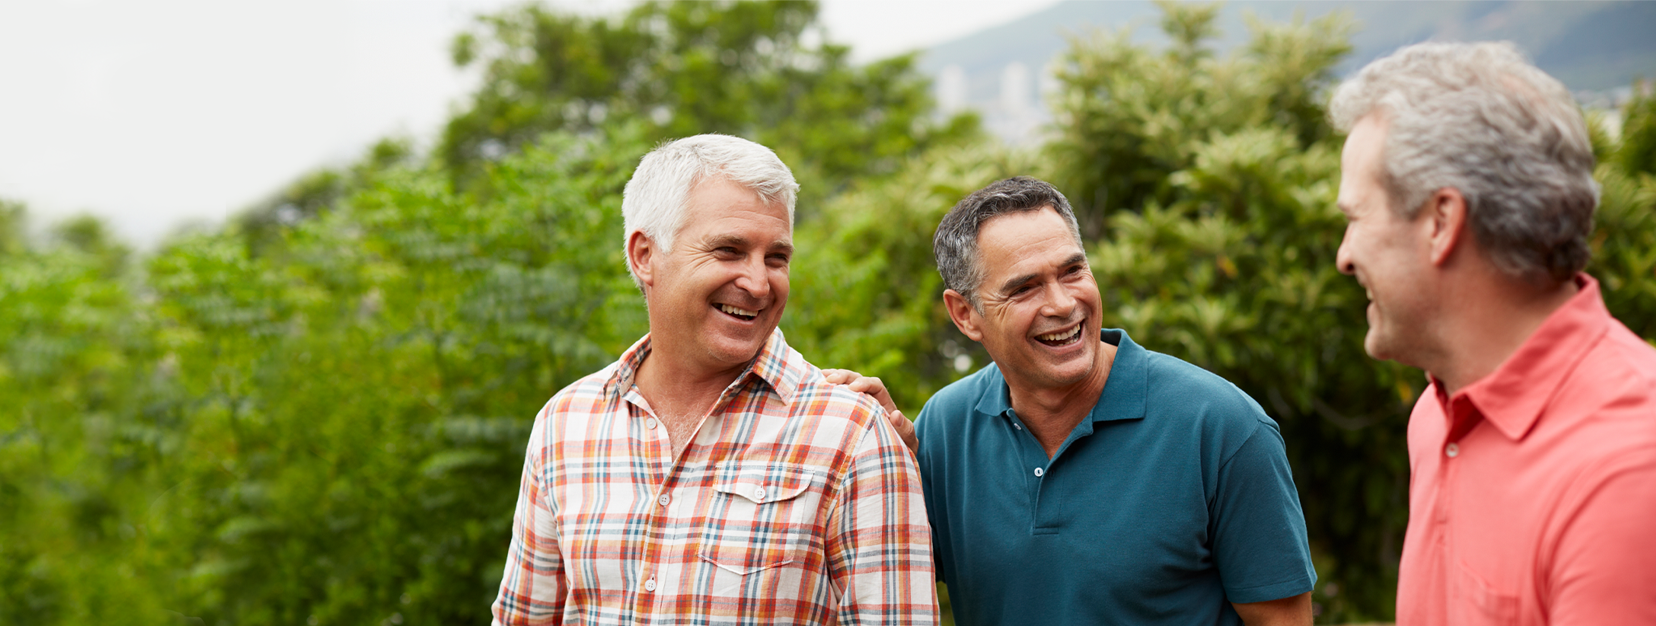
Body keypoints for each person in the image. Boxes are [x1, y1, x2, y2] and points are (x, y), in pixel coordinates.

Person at [489, 134, 936, 625]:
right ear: (644, 255)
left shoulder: (853, 433)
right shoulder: (566, 423)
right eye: (729, 250)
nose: (759, 283)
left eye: (776, 258)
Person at [831, 176, 1315, 625]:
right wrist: (885, 463)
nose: (1062, 304)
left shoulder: (1223, 426)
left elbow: (1282, 619)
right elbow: (889, 579)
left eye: (1072, 271)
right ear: (964, 315)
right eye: (1024, 288)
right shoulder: (945, 425)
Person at [1330, 42, 1656, 623]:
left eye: (1355, 218)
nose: (1344, 256)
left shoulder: (1628, 469)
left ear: (1441, 222)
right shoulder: (1437, 414)